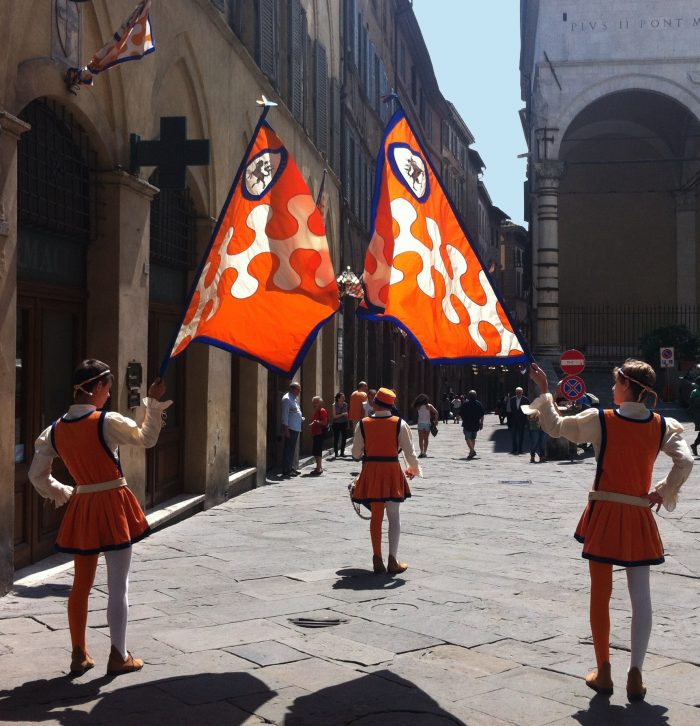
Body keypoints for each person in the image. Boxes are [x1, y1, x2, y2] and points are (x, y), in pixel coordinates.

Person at [527, 359, 692, 701]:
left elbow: (557, 427)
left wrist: (544, 391)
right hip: (638, 514)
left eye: (617, 383)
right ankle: (636, 674)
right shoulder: (663, 425)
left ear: (626, 385)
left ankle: (604, 672)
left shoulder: (601, 420)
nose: (613, 388)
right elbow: (686, 460)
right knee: (641, 596)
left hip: (604, 512)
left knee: (600, 595)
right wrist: (661, 490)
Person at [28, 359, 171, 676]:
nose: (108, 395)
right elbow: (146, 439)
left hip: (83, 505)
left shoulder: (53, 431)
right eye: (107, 388)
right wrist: (154, 402)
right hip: (113, 503)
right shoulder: (106, 421)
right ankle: (118, 656)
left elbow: (37, 476)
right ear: (96, 388)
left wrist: (62, 492)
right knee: (118, 584)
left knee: (81, 584)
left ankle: (79, 653)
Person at [351, 387, 421, 574]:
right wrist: (413, 469)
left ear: (374, 404)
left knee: (376, 517)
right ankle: (393, 560)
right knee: (394, 517)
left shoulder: (363, 424)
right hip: (391, 470)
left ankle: (377, 559)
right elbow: (410, 452)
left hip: (372, 471)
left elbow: (356, 454)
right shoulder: (400, 423)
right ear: (392, 406)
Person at [281, 382, 303, 477]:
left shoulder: (294, 399)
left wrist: (300, 418)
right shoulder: (287, 399)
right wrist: (286, 430)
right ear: (293, 389)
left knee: (292, 449)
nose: (300, 391)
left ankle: (291, 467)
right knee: (288, 449)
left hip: (296, 427)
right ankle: (286, 469)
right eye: (298, 389)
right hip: (290, 428)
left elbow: (294, 412)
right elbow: (285, 416)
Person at [460, 390, 484, 460]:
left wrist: (462, 419)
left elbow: (461, 413)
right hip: (476, 424)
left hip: (467, 424)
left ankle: (472, 451)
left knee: (467, 438)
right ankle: (471, 452)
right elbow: (482, 415)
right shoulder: (479, 404)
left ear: (469, 396)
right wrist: (481, 423)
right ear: (475, 396)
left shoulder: (465, 404)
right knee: (473, 438)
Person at [412, 393, 438, 458]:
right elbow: (436, 412)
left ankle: (421, 451)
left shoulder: (418, 406)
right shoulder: (429, 406)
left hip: (420, 423)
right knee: (426, 439)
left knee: (420, 438)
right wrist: (436, 421)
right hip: (427, 424)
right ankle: (425, 452)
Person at [309, 396, 328, 475]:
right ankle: (318, 467)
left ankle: (319, 468)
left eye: (316, 402)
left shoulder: (322, 410)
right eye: (313, 402)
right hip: (316, 433)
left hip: (319, 433)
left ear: (320, 403)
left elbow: (324, 422)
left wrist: (316, 422)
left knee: (318, 451)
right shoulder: (316, 411)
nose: (314, 404)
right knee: (315, 451)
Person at [507, 387, 530, 454]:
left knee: (521, 436)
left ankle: (520, 449)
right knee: (513, 436)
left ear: (522, 392)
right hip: (513, 420)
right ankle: (514, 449)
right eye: (517, 392)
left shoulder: (526, 400)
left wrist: (527, 421)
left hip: (522, 420)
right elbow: (510, 411)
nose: (518, 393)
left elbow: (528, 410)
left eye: (520, 392)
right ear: (515, 392)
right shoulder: (512, 399)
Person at [331, 392, 349, 458]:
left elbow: (346, 414)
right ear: (338, 398)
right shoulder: (334, 405)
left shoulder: (345, 404)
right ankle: (336, 453)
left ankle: (342, 452)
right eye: (342, 397)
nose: (344, 398)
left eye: (344, 397)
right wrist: (342, 414)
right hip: (336, 423)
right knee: (336, 438)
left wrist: (348, 422)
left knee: (344, 438)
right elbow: (334, 416)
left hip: (344, 423)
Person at [689, 381, 700, 456]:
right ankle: (694, 445)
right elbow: (693, 404)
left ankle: (694, 445)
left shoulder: (694, 392)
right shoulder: (695, 392)